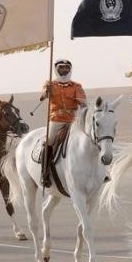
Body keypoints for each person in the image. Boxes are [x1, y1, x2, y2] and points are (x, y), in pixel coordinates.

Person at [39, 59, 87, 188]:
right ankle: (45, 173)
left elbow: (83, 102)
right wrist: (47, 91)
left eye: (66, 68)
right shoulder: (50, 83)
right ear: (56, 69)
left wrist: (82, 102)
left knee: (90, 137)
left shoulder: (76, 86)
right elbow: (42, 96)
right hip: (57, 119)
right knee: (49, 141)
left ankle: (101, 171)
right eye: (61, 68)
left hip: (74, 120)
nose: (64, 70)